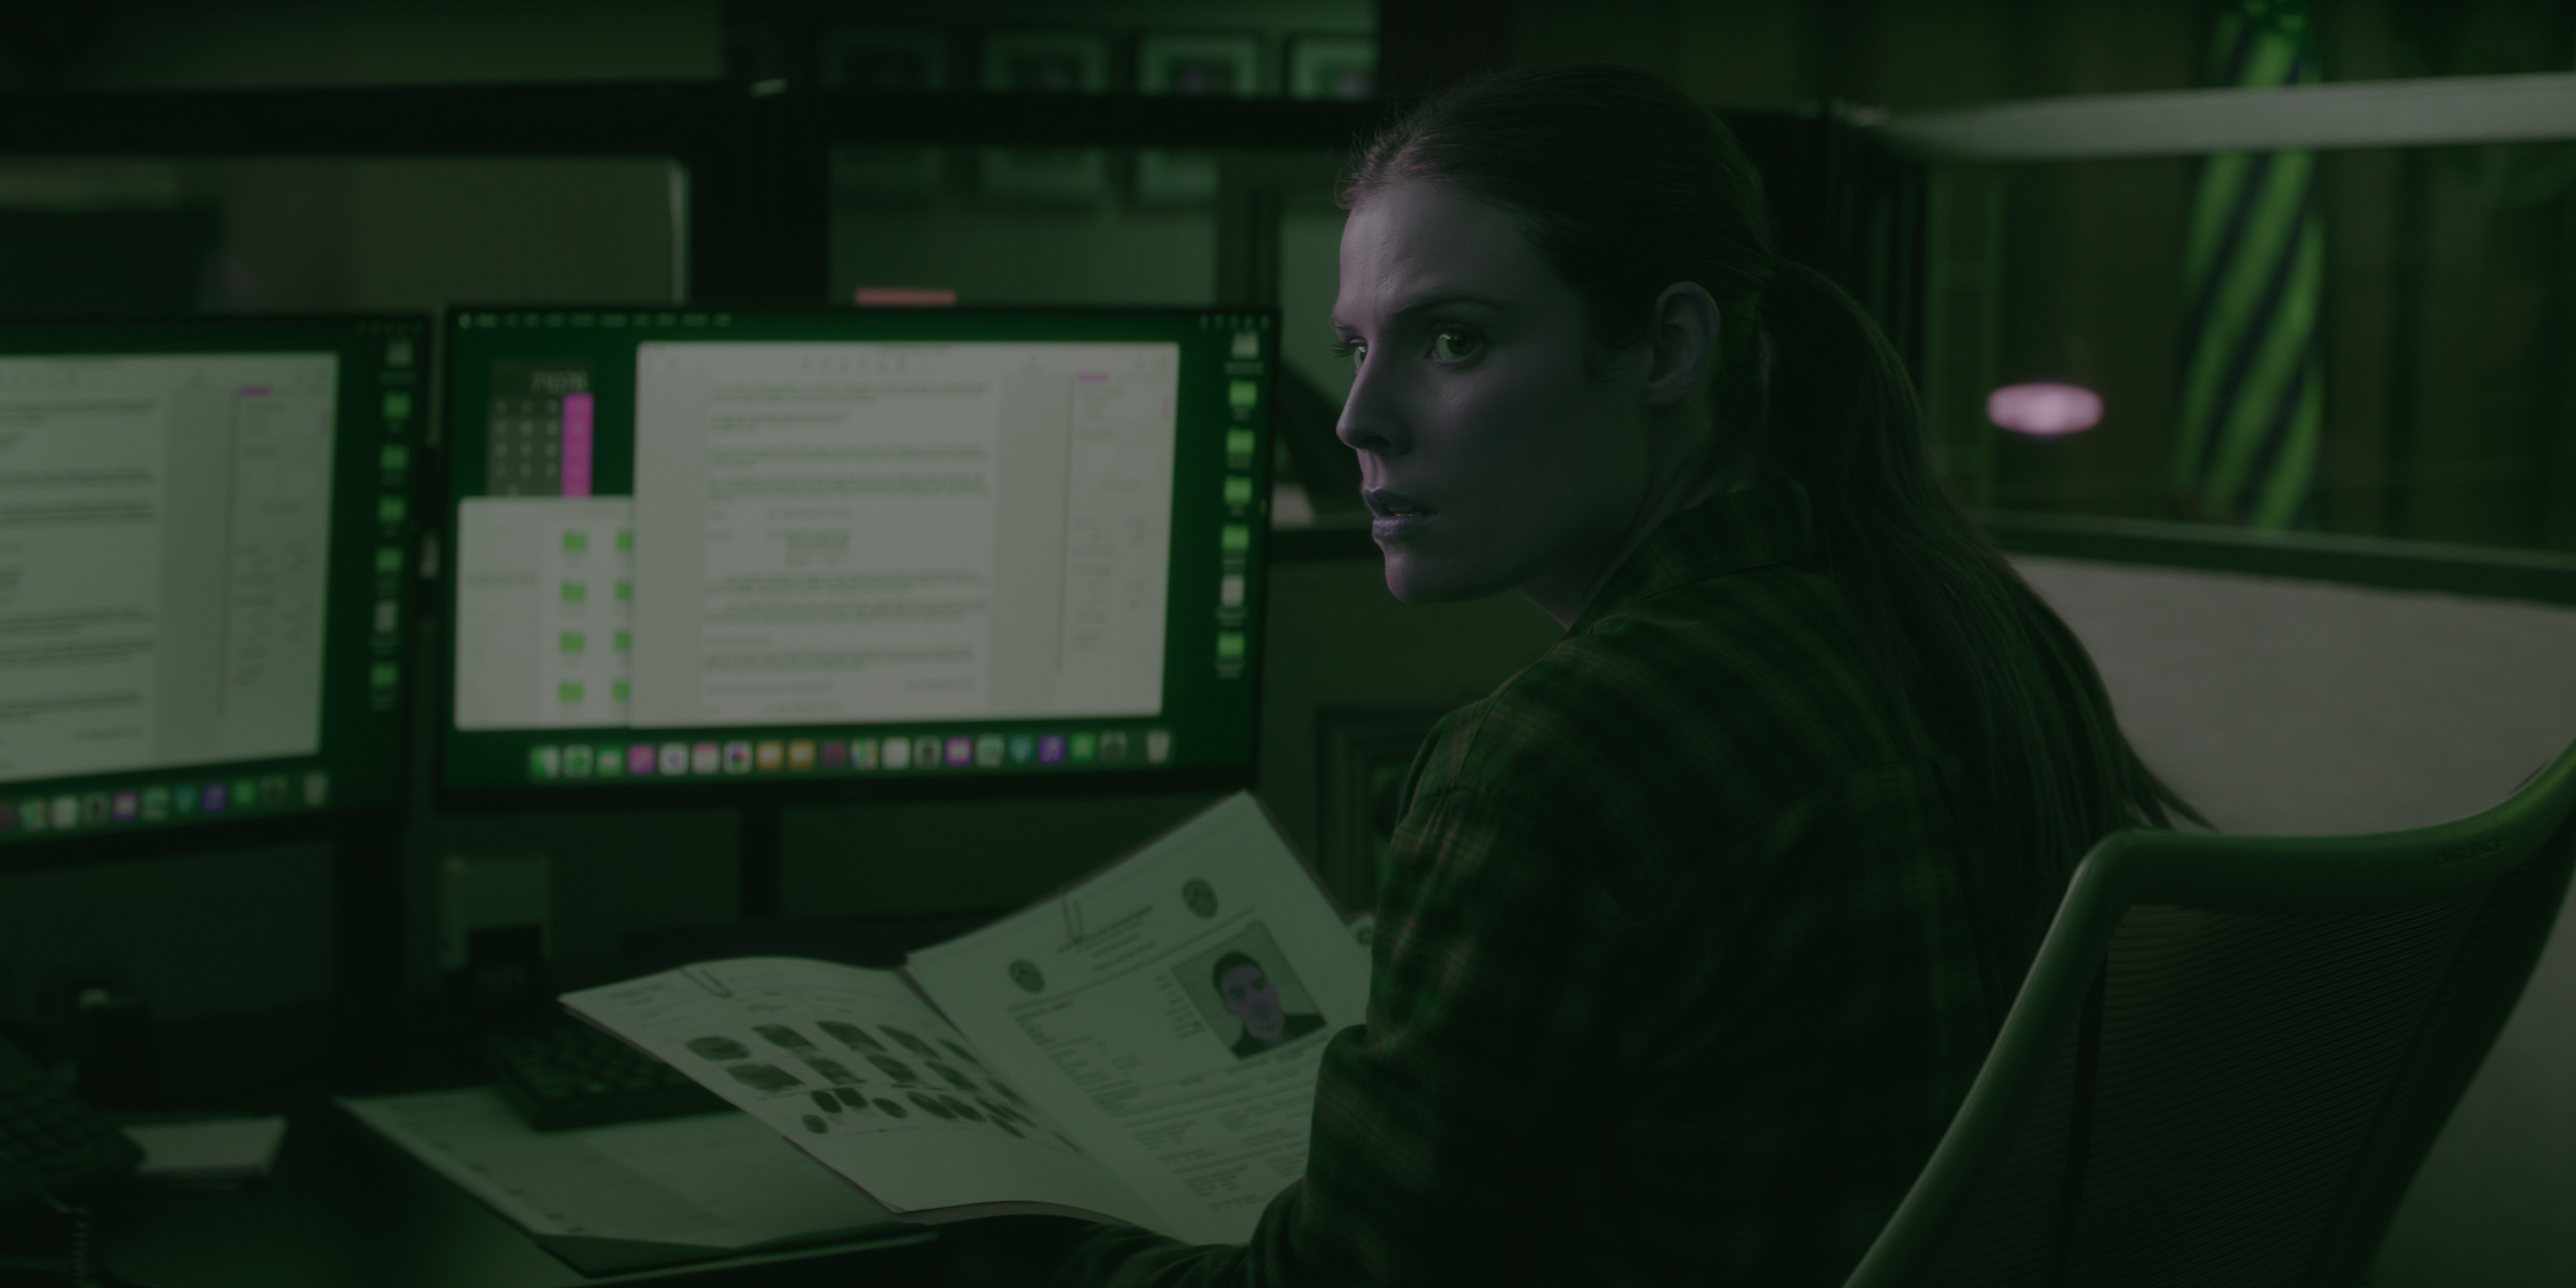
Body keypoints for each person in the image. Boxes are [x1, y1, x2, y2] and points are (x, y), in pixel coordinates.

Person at [946, 64, 2207, 1287]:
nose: (1357, 416)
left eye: (1452, 339)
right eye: (1354, 345)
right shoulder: (1975, 637)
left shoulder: (1551, 765)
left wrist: (1008, 1247)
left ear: (1666, 348)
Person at [1208, 951, 1327, 1058]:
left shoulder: (1320, 1023)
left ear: (1274, 991)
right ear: (1230, 1009)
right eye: (1238, 995)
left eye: (1259, 986)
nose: (1254, 999)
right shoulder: (1236, 1057)